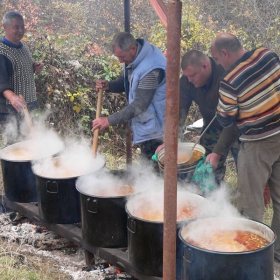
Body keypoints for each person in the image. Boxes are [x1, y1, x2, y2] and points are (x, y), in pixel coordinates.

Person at [210, 32, 280, 261]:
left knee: (251, 207)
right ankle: (276, 252)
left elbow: (226, 121)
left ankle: (251, 259)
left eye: (219, 61)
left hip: (256, 144)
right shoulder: (268, 54)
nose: (219, 66)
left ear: (224, 53)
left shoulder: (229, 81)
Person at [156, 50, 240, 184]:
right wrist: (171, 139)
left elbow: (235, 118)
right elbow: (179, 111)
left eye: (193, 75)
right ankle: (213, 197)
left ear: (205, 66)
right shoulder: (187, 81)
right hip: (212, 127)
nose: (190, 80)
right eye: (187, 76)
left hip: (237, 127)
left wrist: (219, 152)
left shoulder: (226, 75)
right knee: (208, 167)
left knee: (244, 167)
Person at [93, 32, 166, 170]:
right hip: (149, 125)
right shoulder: (134, 58)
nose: (120, 61)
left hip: (158, 130)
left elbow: (140, 104)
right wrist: (109, 85)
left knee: (153, 174)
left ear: (133, 48)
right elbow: (126, 82)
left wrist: (109, 120)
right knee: (147, 170)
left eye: (121, 57)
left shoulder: (151, 68)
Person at [0, 11, 44, 143]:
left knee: (32, 142)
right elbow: (1, 80)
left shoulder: (23, 46)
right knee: (16, 145)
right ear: (5, 27)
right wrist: (13, 97)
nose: (20, 30)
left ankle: (32, 164)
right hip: (11, 107)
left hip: (30, 102)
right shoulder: (1, 51)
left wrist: (34, 67)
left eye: (22, 27)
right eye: (16, 27)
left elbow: (19, 70)